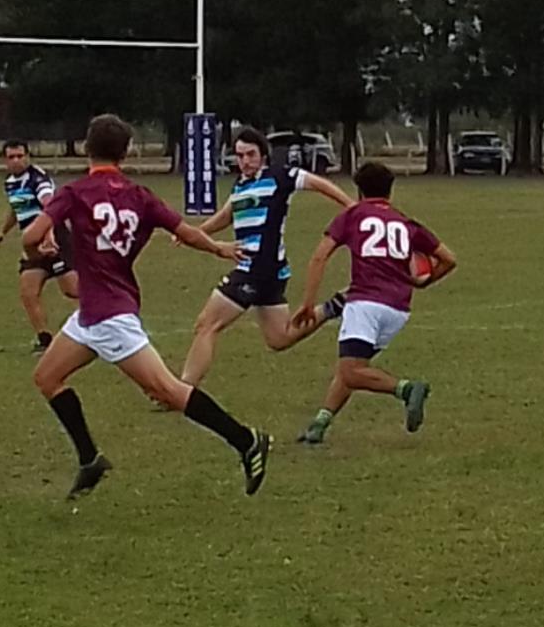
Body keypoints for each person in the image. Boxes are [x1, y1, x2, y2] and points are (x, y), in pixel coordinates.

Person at [23, 114, 271, 498]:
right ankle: (90, 459)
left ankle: (246, 441)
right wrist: (218, 247)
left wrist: (39, 245)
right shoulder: (140, 195)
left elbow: (32, 234)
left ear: (88, 148)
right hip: (93, 314)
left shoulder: (75, 192)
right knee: (47, 377)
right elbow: (184, 231)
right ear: (124, 152)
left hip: (110, 318)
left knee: (168, 392)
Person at [176, 127, 355, 389]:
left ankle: (181, 390)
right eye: (239, 156)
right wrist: (195, 233)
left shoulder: (280, 176)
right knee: (279, 339)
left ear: (263, 155)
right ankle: (334, 306)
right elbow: (227, 215)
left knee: (207, 324)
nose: (245, 161)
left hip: (256, 267)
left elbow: (319, 183)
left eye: (250, 154)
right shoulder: (242, 184)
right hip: (270, 271)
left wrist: (352, 207)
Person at [291, 162, 457, 444]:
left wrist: (308, 303)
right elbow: (449, 259)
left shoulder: (353, 215)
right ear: (390, 192)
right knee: (355, 367)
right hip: (398, 310)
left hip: (365, 303)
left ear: (359, 190)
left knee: (351, 371)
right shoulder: (405, 222)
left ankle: (407, 389)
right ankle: (320, 423)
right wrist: (422, 282)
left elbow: (320, 256)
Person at [0, 140, 79, 353]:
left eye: (20, 156)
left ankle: (112, 310)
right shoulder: (10, 182)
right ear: (5, 160)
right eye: (11, 157)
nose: (16, 161)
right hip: (32, 244)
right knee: (28, 291)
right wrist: (3, 231)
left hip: (54, 237)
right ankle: (44, 339)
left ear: (28, 157)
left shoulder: (37, 179)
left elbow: (51, 207)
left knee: (73, 291)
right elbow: (15, 209)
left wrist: (49, 236)